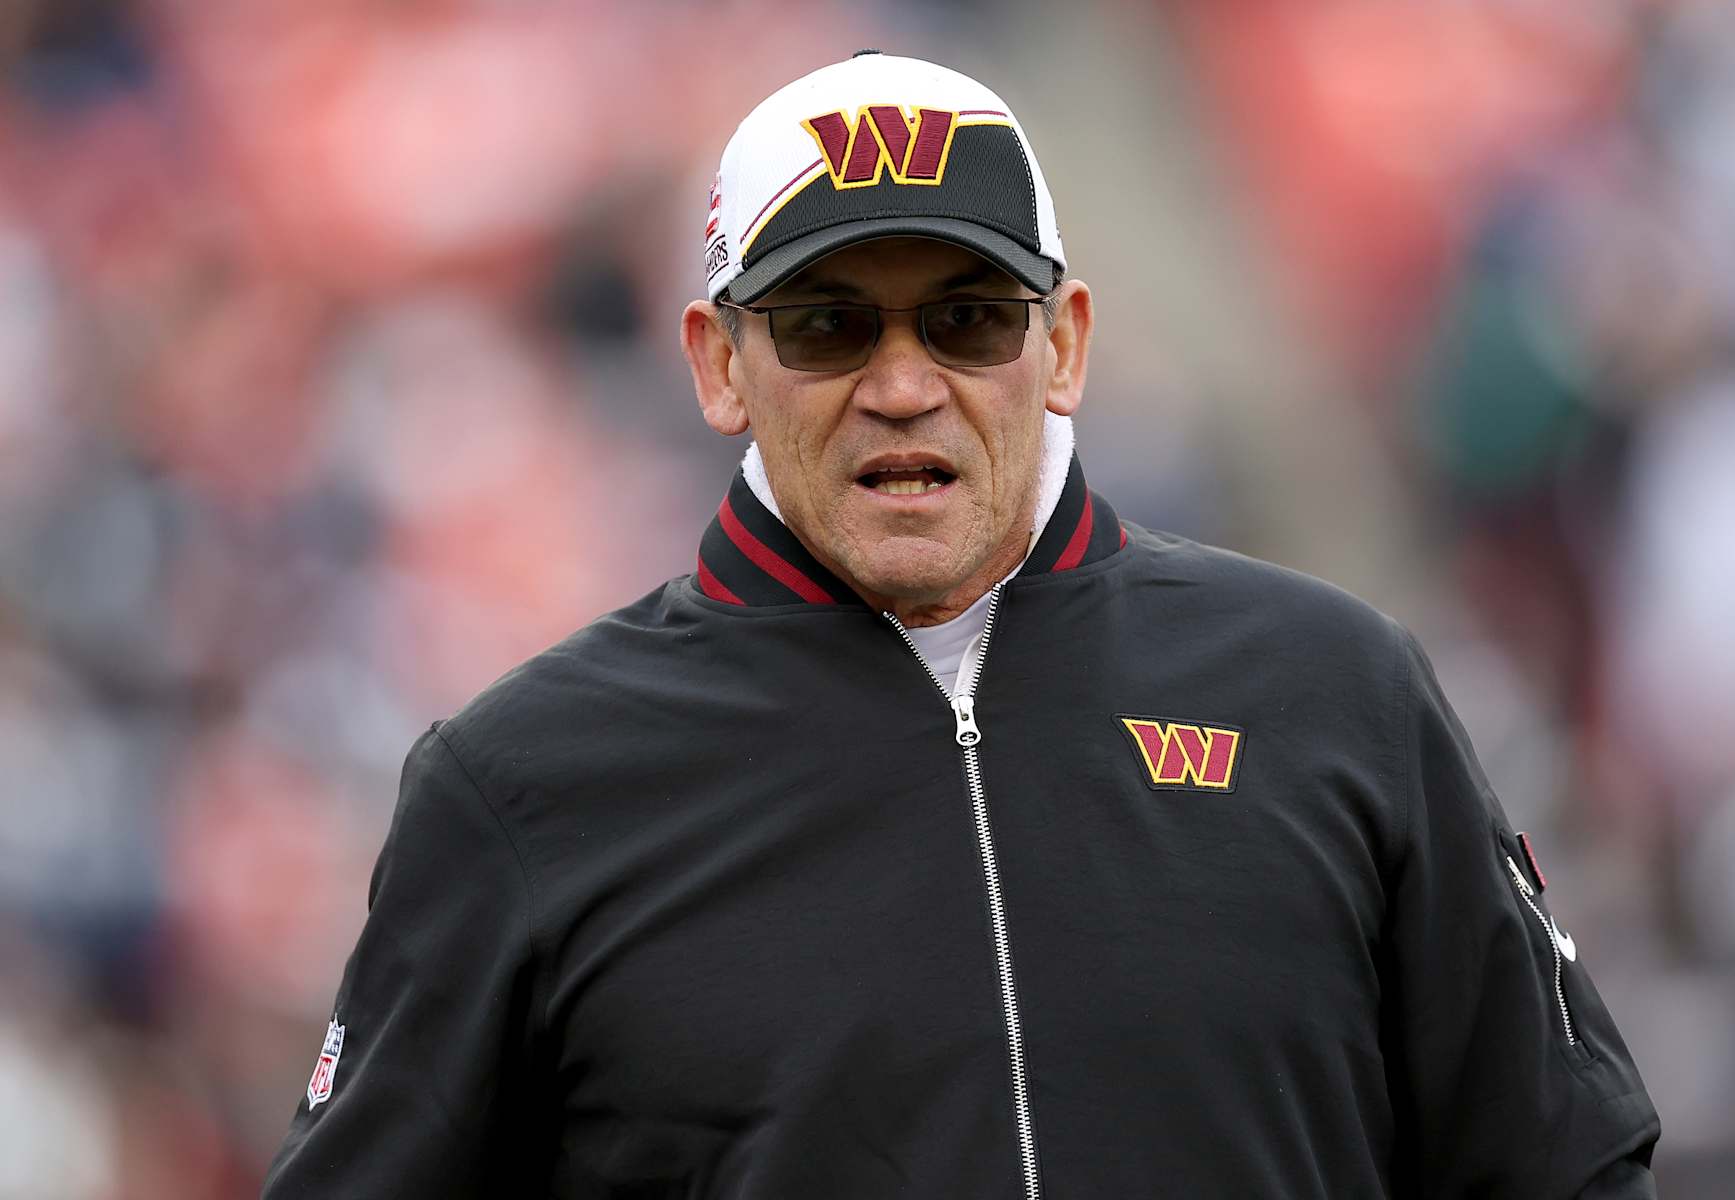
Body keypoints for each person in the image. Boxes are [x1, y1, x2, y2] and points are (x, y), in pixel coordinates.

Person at [262, 51, 1659, 1198]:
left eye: (969, 318)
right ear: (717, 363)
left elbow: (1566, 1168)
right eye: (826, 326)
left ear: (1063, 346)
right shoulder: (527, 788)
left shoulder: (1332, 695)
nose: (904, 383)